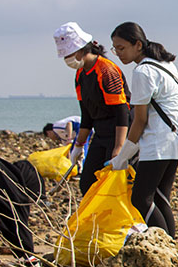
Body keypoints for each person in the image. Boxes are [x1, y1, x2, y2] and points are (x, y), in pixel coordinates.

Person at [108, 22, 178, 237]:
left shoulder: (143, 71)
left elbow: (140, 120)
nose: (118, 54)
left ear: (138, 44)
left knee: (140, 198)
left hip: (158, 143)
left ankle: (165, 247)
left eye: (122, 48)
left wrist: (122, 157)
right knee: (161, 197)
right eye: (115, 49)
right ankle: (173, 248)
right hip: (177, 140)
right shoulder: (166, 64)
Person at [53, 22, 131, 195]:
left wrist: (118, 147)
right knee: (87, 183)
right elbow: (86, 114)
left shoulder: (106, 70)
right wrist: (78, 145)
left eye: (69, 54)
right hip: (100, 131)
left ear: (81, 49)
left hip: (119, 131)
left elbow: (121, 111)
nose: (68, 59)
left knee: (112, 182)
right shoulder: (80, 74)